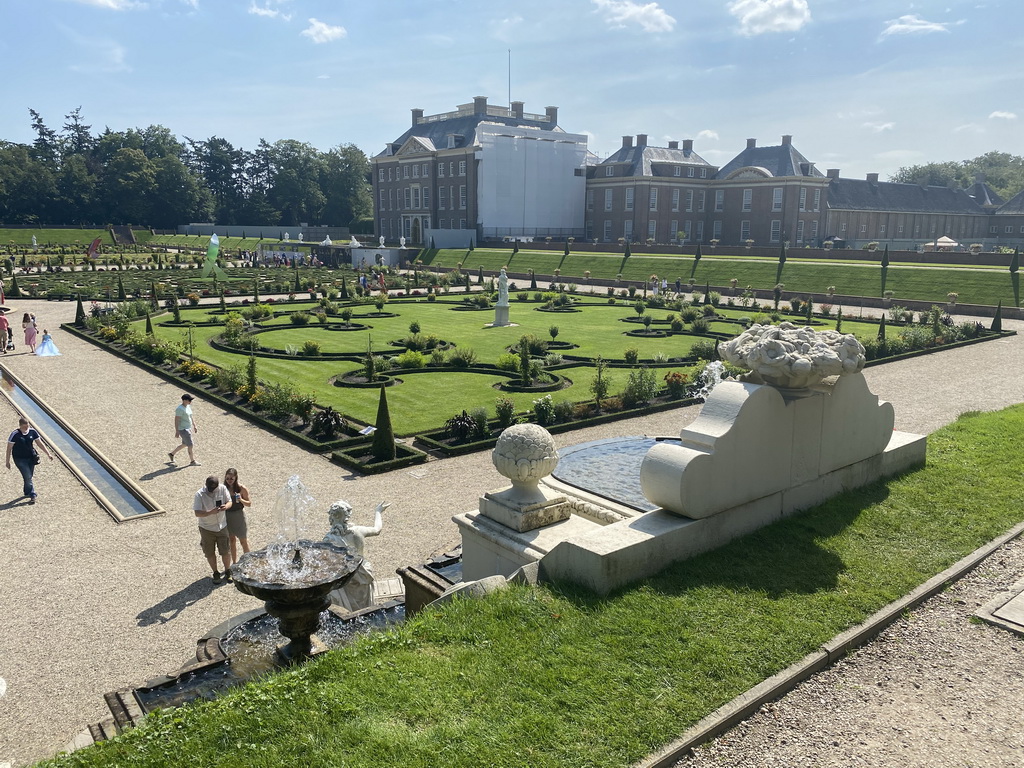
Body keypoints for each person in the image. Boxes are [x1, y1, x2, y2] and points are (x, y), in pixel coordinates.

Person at [323, 500, 391, 611]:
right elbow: (377, 530)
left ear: (332, 517)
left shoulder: (328, 539)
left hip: (344, 578)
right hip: (362, 572)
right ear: (347, 516)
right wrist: (378, 512)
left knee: (347, 610)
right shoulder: (358, 531)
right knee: (366, 608)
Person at [193, 475, 232, 584]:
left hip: (222, 526)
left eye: (213, 489)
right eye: (209, 489)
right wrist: (211, 512)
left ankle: (227, 570)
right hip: (207, 528)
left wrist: (226, 507)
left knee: (225, 550)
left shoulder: (223, 489)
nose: (211, 491)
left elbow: (229, 501)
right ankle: (215, 572)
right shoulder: (199, 494)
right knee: (209, 552)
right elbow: (197, 513)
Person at [6, 417, 53, 503]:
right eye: (24, 427)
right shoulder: (15, 434)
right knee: (27, 476)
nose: (26, 428)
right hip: (19, 459)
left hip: (31, 458)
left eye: (27, 426)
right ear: (20, 426)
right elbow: (9, 448)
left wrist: (48, 454)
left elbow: (39, 443)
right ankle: (32, 494)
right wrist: (7, 461)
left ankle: (27, 491)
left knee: (29, 476)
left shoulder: (32, 432)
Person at [223, 467, 251, 567]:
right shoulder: (223, 488)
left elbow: (249, 503)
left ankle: (248, 562)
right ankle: (234, 563)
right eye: (227, 478)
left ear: (236, 478)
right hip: (227, 516)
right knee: (231, 540)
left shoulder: (241, 488)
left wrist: (241, 499)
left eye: (231, 478)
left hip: (238, 516)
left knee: (243, 540)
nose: (229, 481)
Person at [169, 393, 200, 466]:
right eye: (189, 400)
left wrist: (194, 425)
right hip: (183, 429)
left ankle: (172, 454)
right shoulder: (179, 409)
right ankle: (192, 461)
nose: (190, 402)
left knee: (185, 444)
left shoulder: (188, 406)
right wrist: (177, 431)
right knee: (190, 445)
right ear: (184, 400)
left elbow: (190, 416)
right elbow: (176, 420)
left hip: (188, 428)